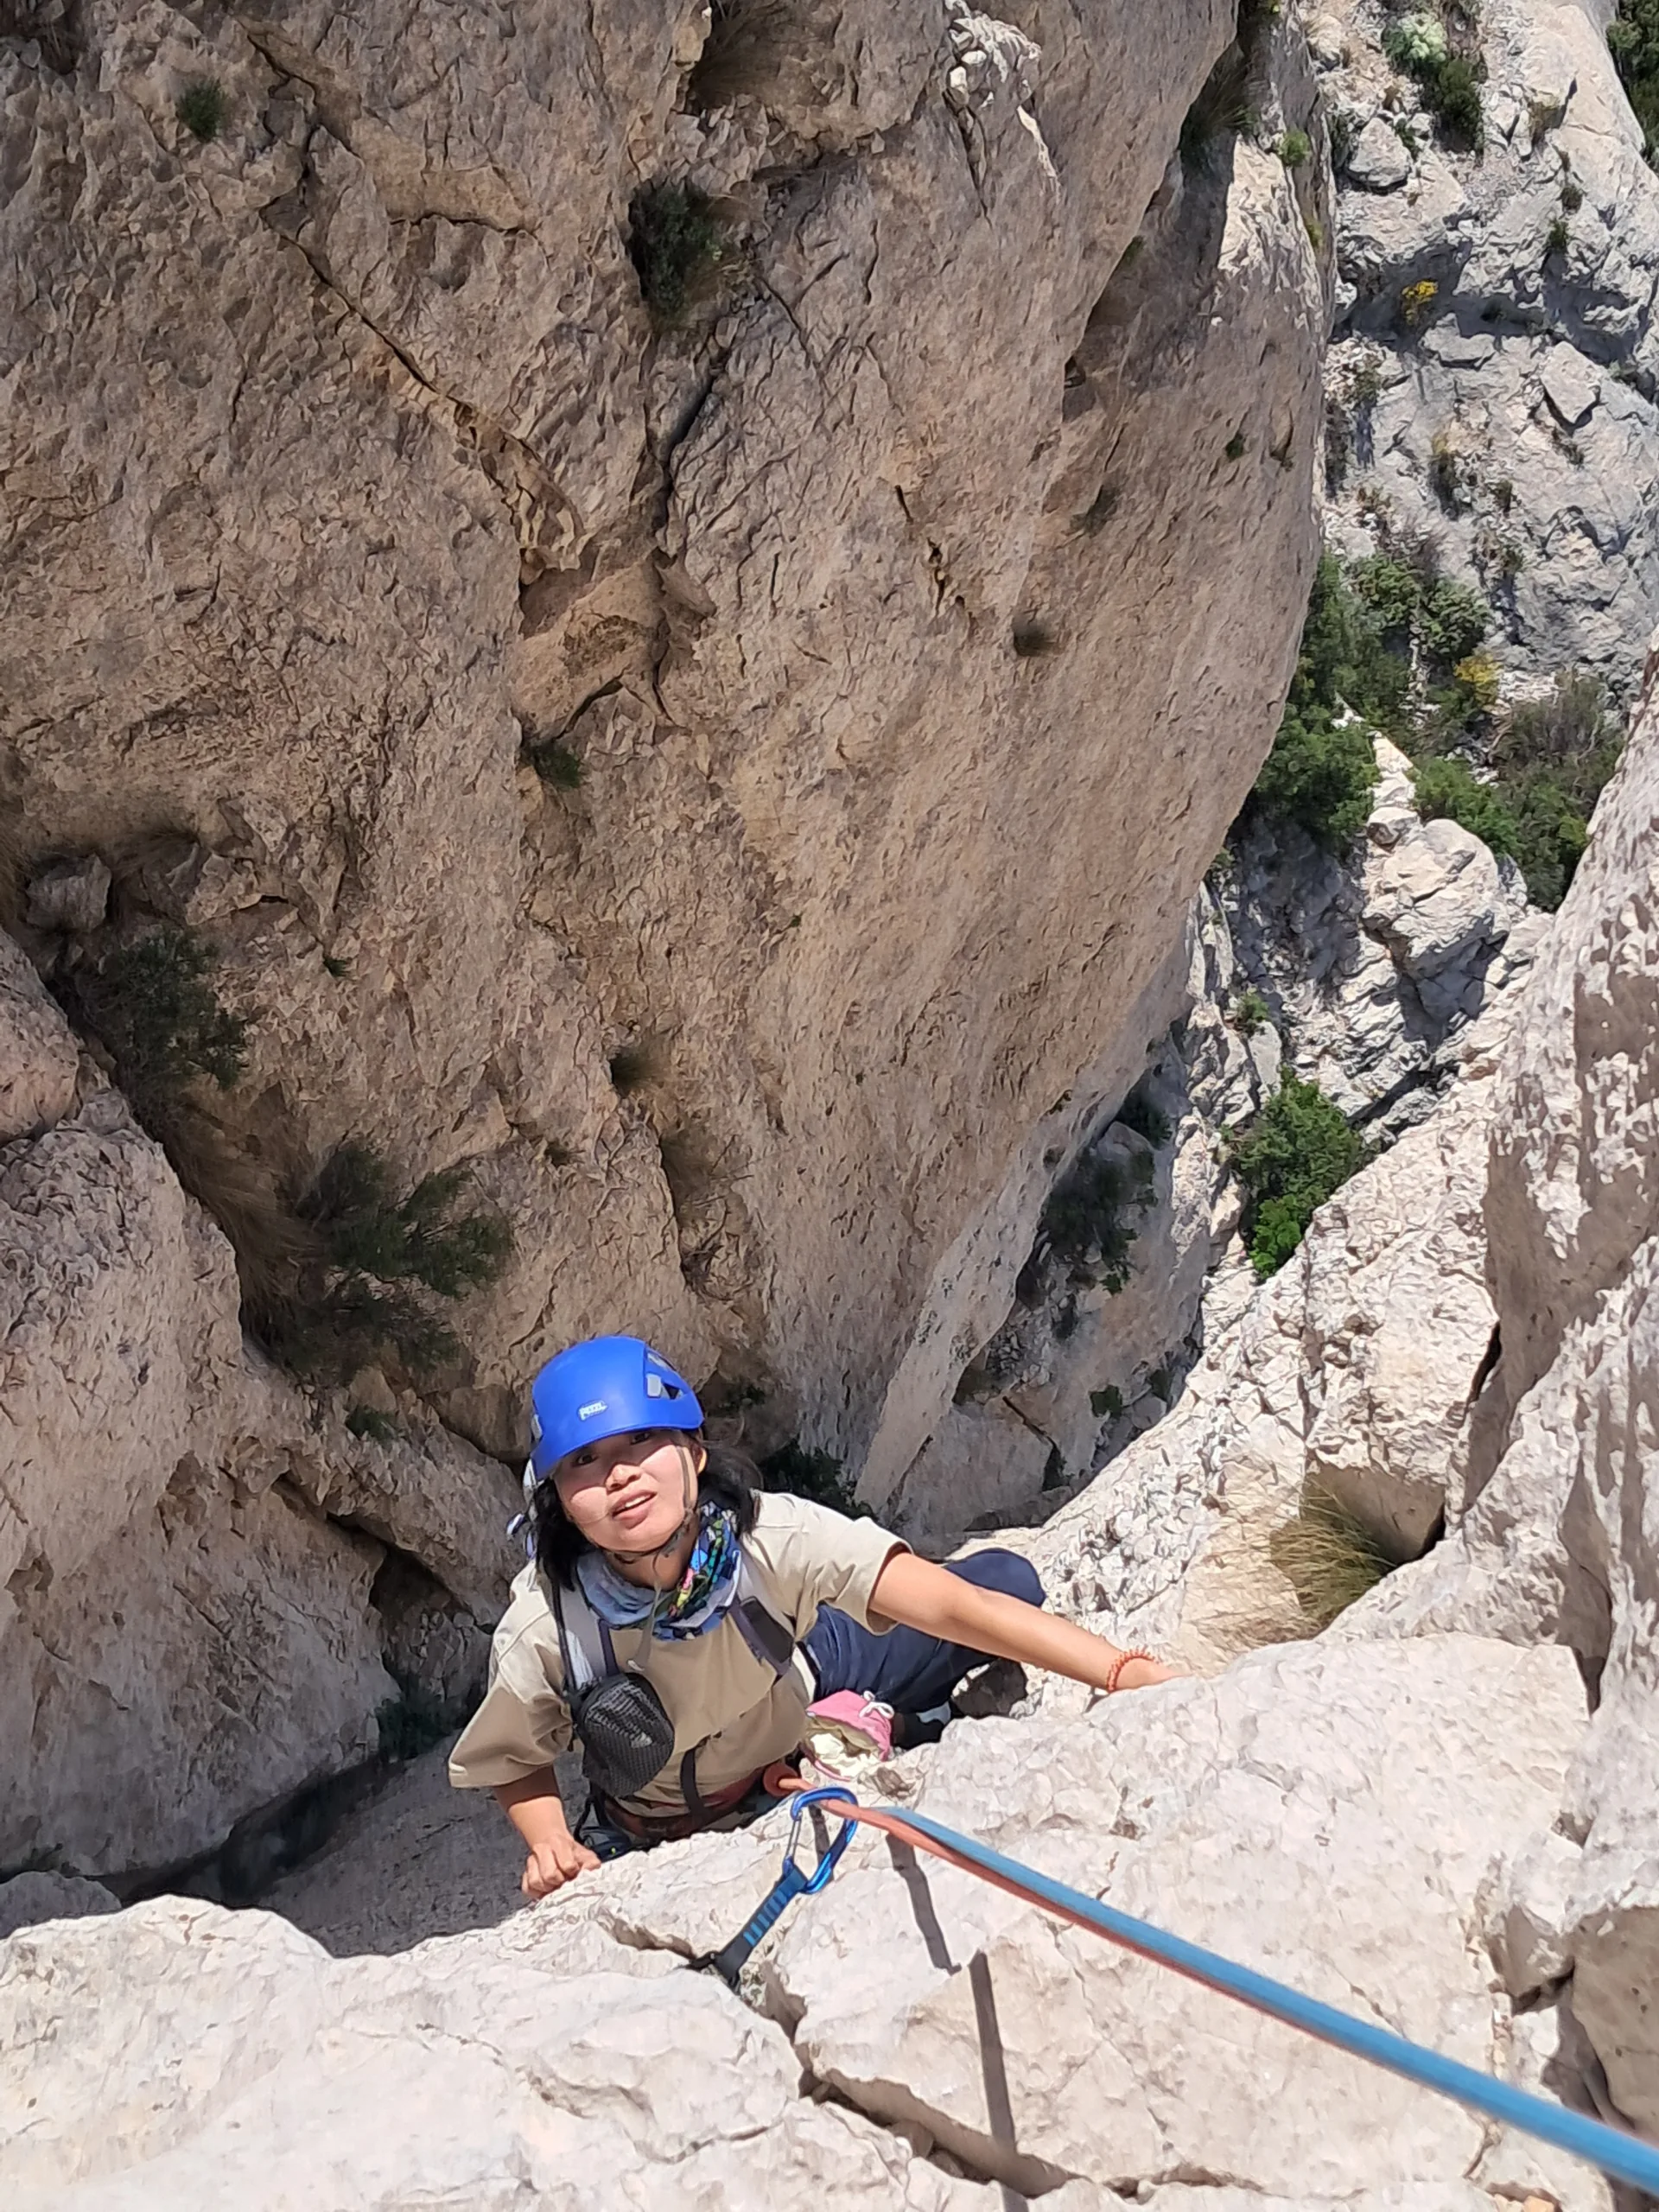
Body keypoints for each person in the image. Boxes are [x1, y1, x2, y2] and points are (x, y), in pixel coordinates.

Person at [448, 1335, 1176, 1898]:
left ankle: (868, 1715)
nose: (619, 1474)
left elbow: (954, 1605)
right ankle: (894, 1721)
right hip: (656, 1820)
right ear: (558, 1499)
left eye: (642, 1440)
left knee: (1007, 1581)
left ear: (694, 1452)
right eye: (584, 1461)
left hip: (796, 1679)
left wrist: (1122, 1672)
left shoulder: (771, 1541)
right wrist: (549, 1840)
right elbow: (513, 1755)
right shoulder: (549, 1626)